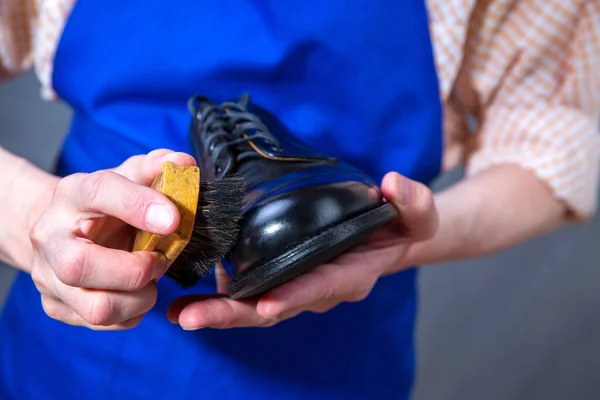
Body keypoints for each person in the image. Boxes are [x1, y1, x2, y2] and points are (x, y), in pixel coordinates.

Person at [0, 0, 598, 399]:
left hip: (335, 355)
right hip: (77, 361)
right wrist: (36, 216)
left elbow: (549, 139)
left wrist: (404, 239)